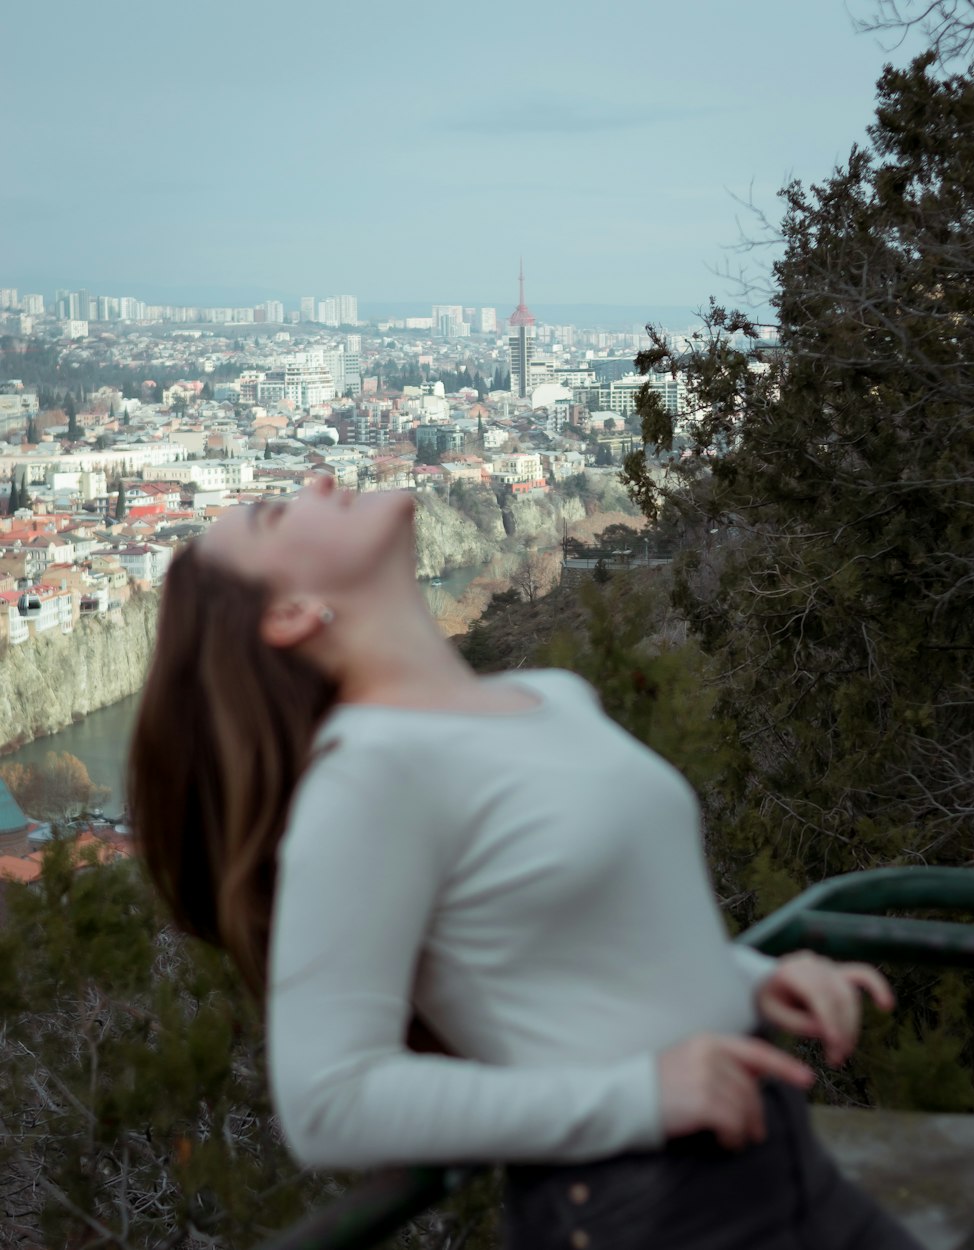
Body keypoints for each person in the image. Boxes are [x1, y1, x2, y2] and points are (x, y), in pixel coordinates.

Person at [129, 476, 923, 1249]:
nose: (318, 478)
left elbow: (587, 946)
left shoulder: (552, 696)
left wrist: (751, 980)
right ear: (293, 612)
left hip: (778, 1161)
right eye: (274, 512)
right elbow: (328, 1104)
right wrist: (638, 1096)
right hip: (641, 1209)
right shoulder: (368, 776)